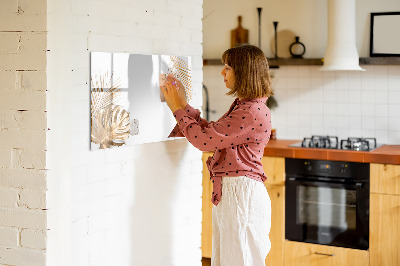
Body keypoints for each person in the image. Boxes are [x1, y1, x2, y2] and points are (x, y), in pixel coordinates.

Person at [161, 44, 273, 266]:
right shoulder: (246, 106)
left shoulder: (250, 111)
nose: (222, 72)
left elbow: (204, 141)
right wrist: (183, 104)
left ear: (244, 72)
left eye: (228, 67)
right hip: (236, 193)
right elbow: (212, 133)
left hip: (241, 195)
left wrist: (176, 108)